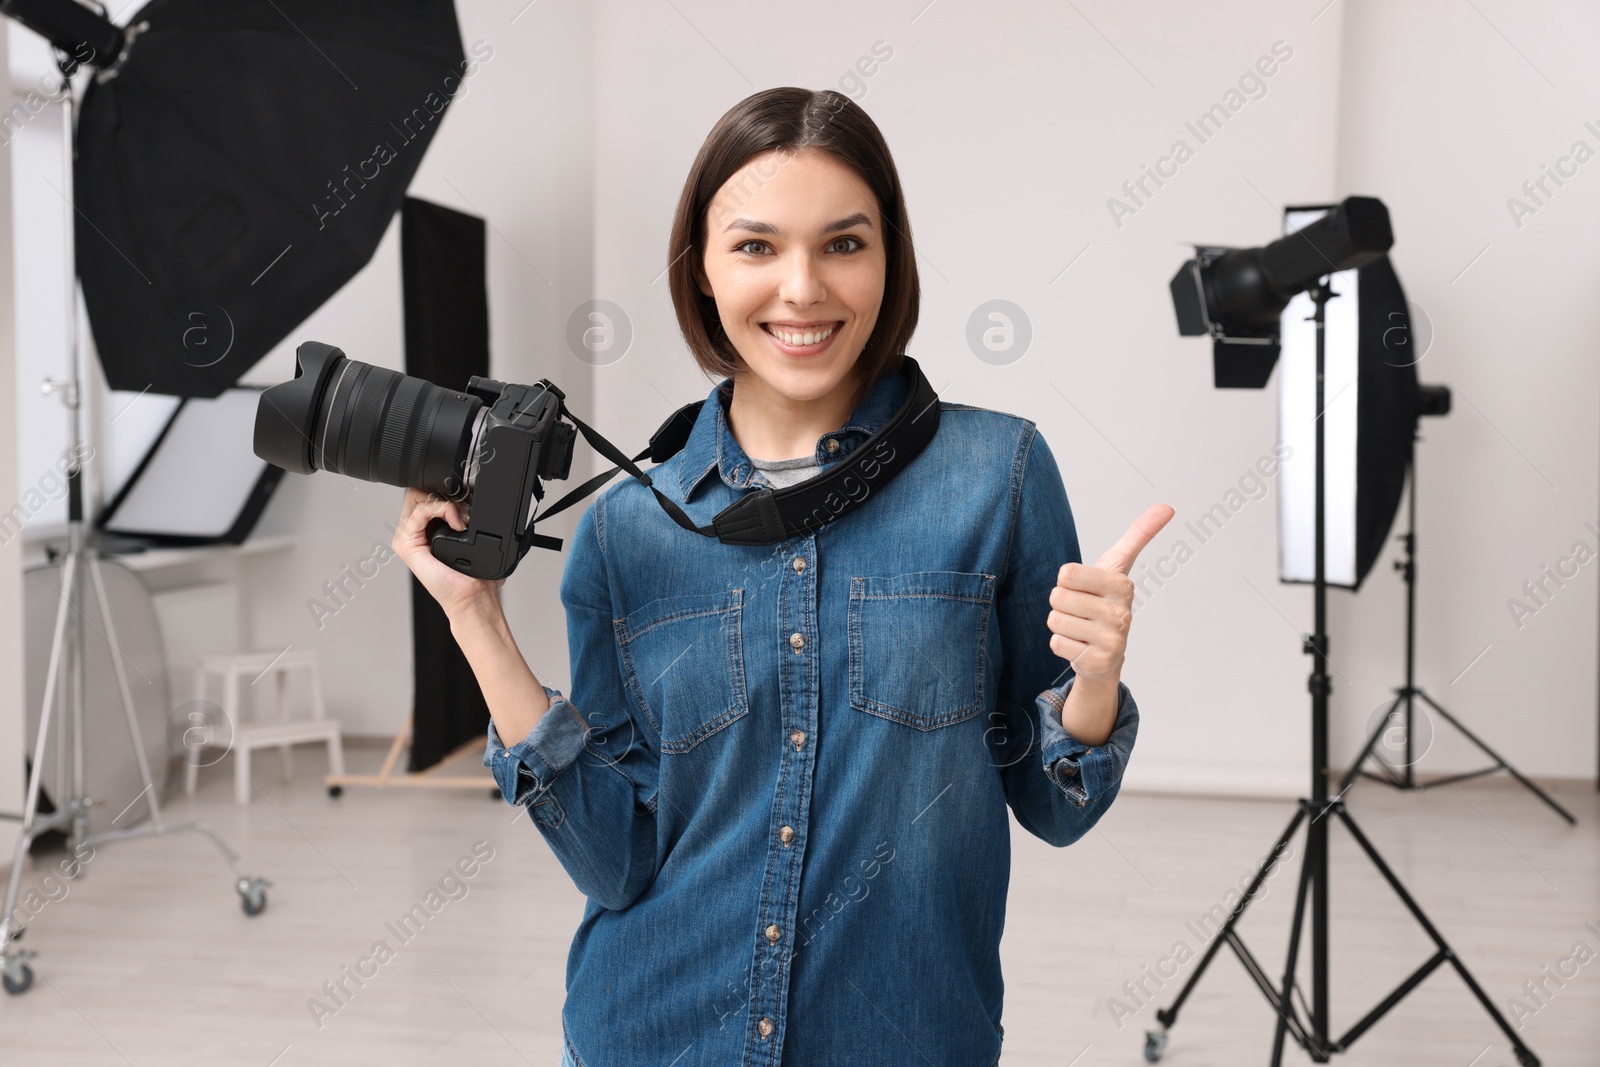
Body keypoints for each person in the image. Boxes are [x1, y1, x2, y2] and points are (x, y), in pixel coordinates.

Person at [393, 86, 1173, 1067]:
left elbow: (1055, 805)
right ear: (703, 272)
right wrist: (475, 619)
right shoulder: (628, 529)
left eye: (843, 243)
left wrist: (1092, 685)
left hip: (902, 1035)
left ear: (890, 261)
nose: (801, 289)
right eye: (756, 247)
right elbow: (612, 857)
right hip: (653, 1031)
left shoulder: (997, 475)